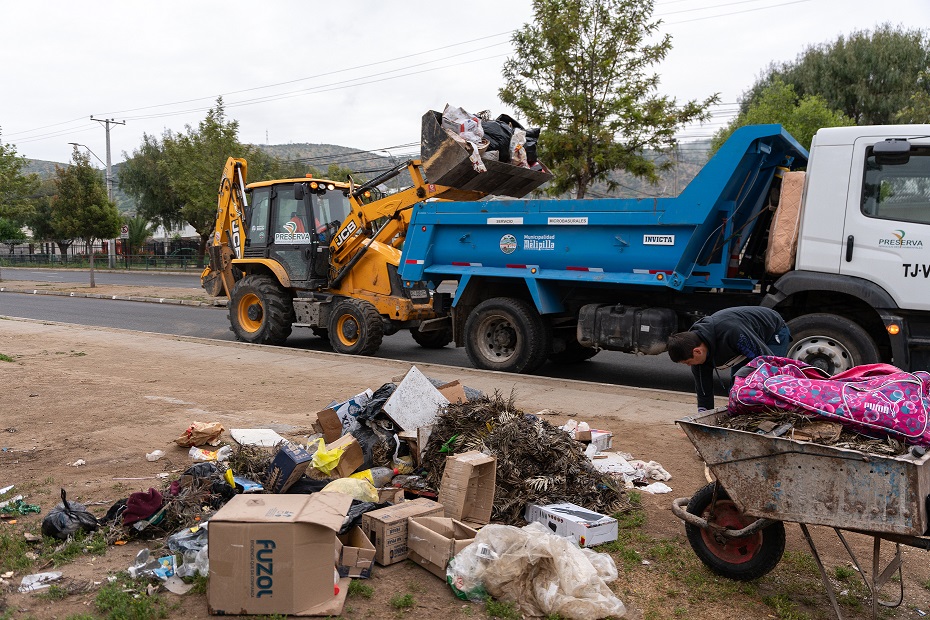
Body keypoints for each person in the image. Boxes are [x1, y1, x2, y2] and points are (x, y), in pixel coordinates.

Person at [667, 306, 790, 411]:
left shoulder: (732, 333)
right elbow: (704, 389)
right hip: (740, 344)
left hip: (772, 331)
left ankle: (777, 412)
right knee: (737, 387)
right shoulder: (694, 348)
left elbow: (767, 363)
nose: (689, 365)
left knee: (763, 383)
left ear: (697, 351)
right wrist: (704, 415)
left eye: (688, 362)